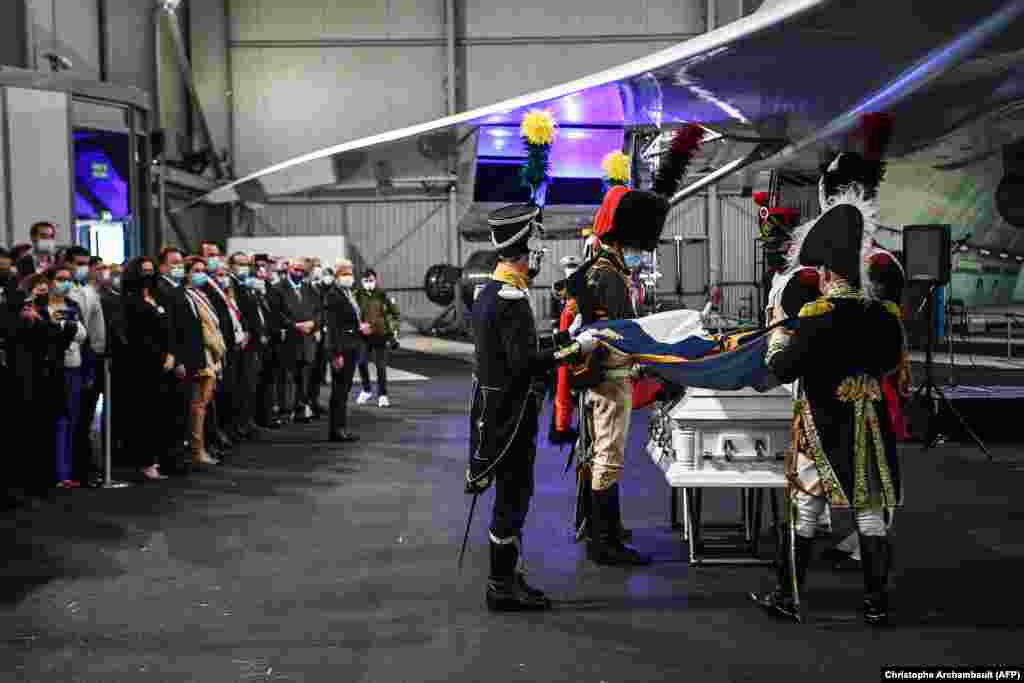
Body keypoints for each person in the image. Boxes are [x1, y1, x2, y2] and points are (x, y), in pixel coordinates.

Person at [750, 112, 902, 626]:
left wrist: (776, 341)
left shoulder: (815, 319)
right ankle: (877, 603)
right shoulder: (881, 317)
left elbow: (782, 365)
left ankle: (788, 597)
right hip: (870, 422)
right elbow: (888, 360)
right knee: (868, 512)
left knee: (809, 506)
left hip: (821, 422)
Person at [465, 203, 599, 612]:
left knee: (514, 496)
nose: (541, 253)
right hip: (510, 414)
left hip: (499, 409)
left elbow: (516, 353)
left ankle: (507, 579)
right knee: (513, 498)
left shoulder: (493, 291)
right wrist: (575, 348)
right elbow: (522, 364)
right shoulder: (509, 298)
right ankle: (500, 586)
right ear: (523, 248)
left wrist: (557, 342)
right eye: (536, 244)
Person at [43, 265, 88, 488]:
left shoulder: (73, 305)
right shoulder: (41, 306)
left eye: (68, 279)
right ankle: (58, 473)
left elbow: (81, 334)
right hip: (53, 370)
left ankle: (69, 471)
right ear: (50, 281)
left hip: (74, 366)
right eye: (60, 279)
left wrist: (67, 327)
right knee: (58, 421)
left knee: (73, 419)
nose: (65, 283)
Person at [183, 257, 227, 466]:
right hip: (204, 354)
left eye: (203, 270)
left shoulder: (202, 294)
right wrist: (217, 348)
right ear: (187, 273)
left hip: (213, 354)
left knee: (204, 405)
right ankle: (196, 449)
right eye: (196, 270)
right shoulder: (188, 294)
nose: (201, 274)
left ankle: (201, 446)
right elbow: (204, 330)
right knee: (198, 405)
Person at [324, 259, 365, 442]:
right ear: (338, 275)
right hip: (342, 348)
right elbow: (333, 327)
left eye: (350, 272)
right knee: (339, 390)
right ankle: (336, 429)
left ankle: (341, 427)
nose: (349, 276)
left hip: (351, 345)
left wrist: (359, 328)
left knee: (344, 389)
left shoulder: (347, 293)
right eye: (345, 273)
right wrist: (336, 354)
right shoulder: (334, 295)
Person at [275, 258, 321, 423]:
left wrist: (314, 323)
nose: (299, 273)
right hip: (288, 339)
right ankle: (285, 411)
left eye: (302, 270)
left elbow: (319, 310)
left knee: (305, 376)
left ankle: (301, 408)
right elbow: (276, 313)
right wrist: (294, 325)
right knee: (288, 377)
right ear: (289, 269)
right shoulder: (278, 288)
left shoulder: (309, 288)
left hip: (307, 339)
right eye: (295, 269)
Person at [355, 268, 400, 408]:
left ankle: (382, 395)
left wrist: (393, 330)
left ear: (376, 280)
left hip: (380, 334)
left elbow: (395, 314)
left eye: (371, 280)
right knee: (361, 363)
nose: (369, 283)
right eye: (366, 281)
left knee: (380, 367)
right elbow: (352, 313)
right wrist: (359, 326)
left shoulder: (382, 295)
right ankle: (366, 389)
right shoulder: (357, 295)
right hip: (363, 335)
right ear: (362, 282)